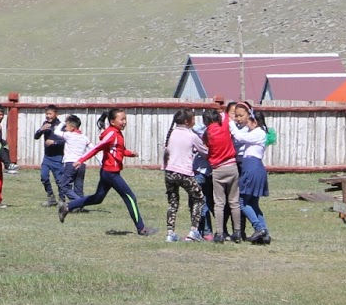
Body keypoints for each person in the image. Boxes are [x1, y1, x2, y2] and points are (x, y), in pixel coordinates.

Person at [59, 108, 156, 237]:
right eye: (121, 119)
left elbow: (118, 150)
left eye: (125, 119)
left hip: (108, 172)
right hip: (111, 173)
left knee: (97, 198)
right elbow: (97, 147)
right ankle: (142, 229)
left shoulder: (117, 133)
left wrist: (129, 153)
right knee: (130, 198)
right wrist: (81, 160)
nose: (124, 122)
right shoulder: (112, 133)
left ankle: (68, 207)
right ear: (112, 121)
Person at [228, 101, 273, 245]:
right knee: (253, 203)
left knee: (242, 201)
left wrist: (229, 122)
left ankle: (259, 228)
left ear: (255, 121)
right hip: (253, 167)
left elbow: (239, 137)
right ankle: (264, 233)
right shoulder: (256, 132)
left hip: (252, 168)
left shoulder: (258, 133)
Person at [161, 109, 207, 242]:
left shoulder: (171, 133)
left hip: (169, 172)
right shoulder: (191, 136)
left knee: (173, 202)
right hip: (185, 173)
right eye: (193, 119)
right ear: (187, 122)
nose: (195, 121)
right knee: (199, 198)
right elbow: (205, 152)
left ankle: (170, 233)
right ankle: (194, 231)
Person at [204, 103, 240, 242]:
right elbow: (225, 114)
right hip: (232, 166)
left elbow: (206, 146)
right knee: (234, 201)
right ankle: (236, 232)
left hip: (218, 169)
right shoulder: (224, 125)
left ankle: (219, 233)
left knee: (219, 203)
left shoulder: (207, 134)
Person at [53, 114, 91, 207]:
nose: (65, 128)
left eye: (67, 126)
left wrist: (62, 122)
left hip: (71, 163)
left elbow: (56, 131)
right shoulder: (84, 137)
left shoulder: (68, 135)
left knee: (64, 186)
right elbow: (92, 148)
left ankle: (80, 202)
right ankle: (79, 207)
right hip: (82, 164)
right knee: (78, 187)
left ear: (73, 127)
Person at [32, 105, 65, 206]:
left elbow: (65, 140)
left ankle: (62, 198)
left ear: (56, 114)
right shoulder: (45, 124)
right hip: (47, 157)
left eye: (50, 114)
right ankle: (51, 197)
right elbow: (36, 137)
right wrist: (41, 129)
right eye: (47, 114)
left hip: (58, 157)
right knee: (44, 176)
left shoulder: (62, 125)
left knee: (59, 180)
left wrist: (54, 142)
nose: (48, 116)